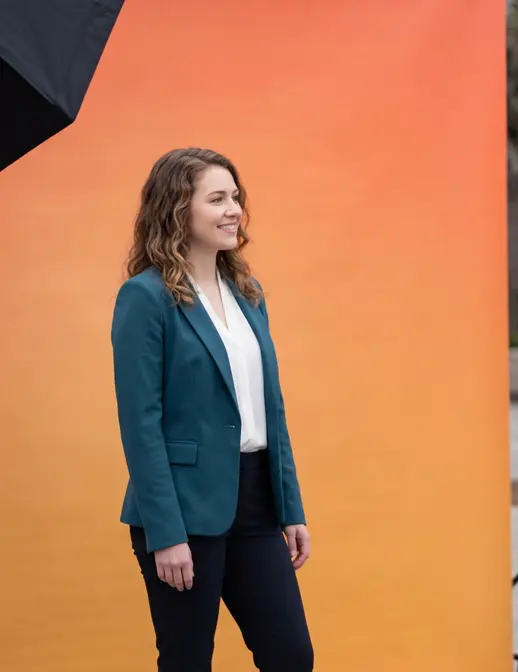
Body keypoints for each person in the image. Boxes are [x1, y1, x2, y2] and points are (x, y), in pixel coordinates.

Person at [111, 147, 314, 671]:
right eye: (218, 198)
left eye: (236, 197)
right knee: (187, 661)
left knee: (290, 655)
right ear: (179, 209)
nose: (234, 210)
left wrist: (288, 506)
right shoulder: (145, 298)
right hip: (183, 508)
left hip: (255, 503)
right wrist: (166, 533)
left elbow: (271, 409)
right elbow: (141, 426)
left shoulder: (248, 293)